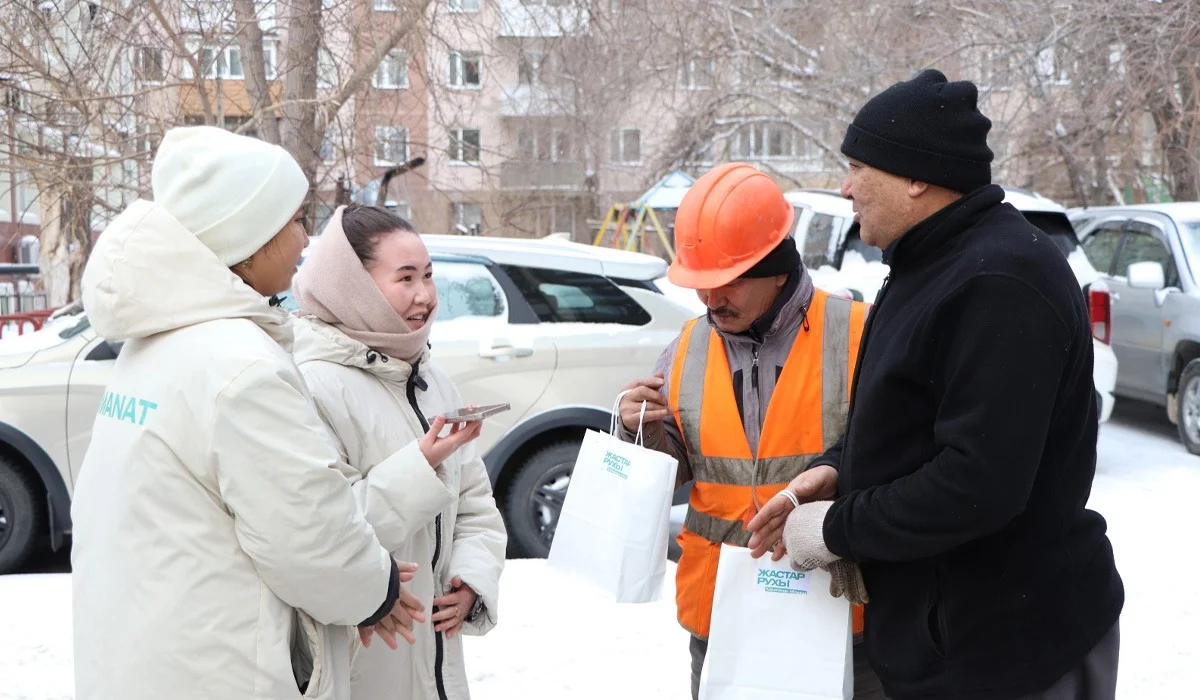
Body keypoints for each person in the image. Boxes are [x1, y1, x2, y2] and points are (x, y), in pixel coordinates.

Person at [748, 69, 1125, 700]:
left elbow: (978, 484)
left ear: (916, 176)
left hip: (1014, 654)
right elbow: (912, 415)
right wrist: (839, 468)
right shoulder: (928, 263)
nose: (845, 188)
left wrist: (838, 527)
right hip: (952, 642)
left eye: (857, 168)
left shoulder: (1000, 281)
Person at [71, 126, 429, 700]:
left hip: (146, 654)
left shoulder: (156, 345)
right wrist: (376, 591)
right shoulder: (241, 366)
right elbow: (308, 536)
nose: (305, 238)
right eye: (294, 221)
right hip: (221, 666)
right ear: (250, 238)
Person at [616, 163, 886, 700]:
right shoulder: (688, 346)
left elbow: (899, 462)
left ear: (778, 267)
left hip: (837, 614)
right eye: (702, 284)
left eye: (729, 280)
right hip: (722, 615)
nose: (711, 299)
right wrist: (639, 432)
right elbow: (676, 471)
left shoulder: (860, 332)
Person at [291, 204, 507, 700]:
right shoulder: (311, 384)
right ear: (354, 287)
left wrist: (471, 580)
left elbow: (475, 505)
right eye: (405, 278)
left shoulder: (431, 379)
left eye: (428, 276)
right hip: (361, 657)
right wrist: (422, 464)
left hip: (436, 663)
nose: (425, 295)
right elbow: (323, 530)